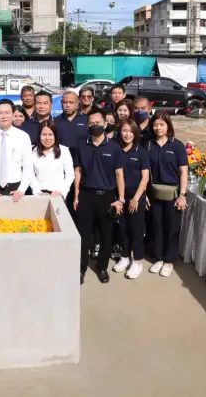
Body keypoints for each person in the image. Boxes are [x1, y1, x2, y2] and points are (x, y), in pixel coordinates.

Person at [73, 107, 125, 284]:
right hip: (86, 195)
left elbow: (119, 175)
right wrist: (77, 195)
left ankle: (102, 267)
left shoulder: (114, 147)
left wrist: (121, 199)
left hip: (107, 197)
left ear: (105, 123)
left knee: (106, 235)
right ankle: (80, 269)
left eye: (98, 122)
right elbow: (78, 171)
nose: (95, 125)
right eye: (92, 123)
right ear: (88, 125)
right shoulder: (82, 145)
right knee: (83, 235)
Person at [145, 112, 189, 278]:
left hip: (173, 194)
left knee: (172, 227)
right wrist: (145, 194)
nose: (158, 128)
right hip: (155, 193)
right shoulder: (149, 146)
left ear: (168, 126)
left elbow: (183, 172)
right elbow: (145, 173)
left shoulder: (177, 146)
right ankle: (159, 258)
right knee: (157, 226)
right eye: (155, 124)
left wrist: (182, 194)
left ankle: (169, 260)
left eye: (162, 124)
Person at [114, 119, 149, 280]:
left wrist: (136, 198)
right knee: (123, 228)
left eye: (130, 131)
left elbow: (145, 178)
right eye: (124, 131)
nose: (127, 134)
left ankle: (137, 261)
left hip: (136, 198)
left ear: (135, 133)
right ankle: (125, 257)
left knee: (136, 231)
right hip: (121, 197)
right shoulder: (117, 150)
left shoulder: (141, 152)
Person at [30, 121, 74, 199]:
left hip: (58, 195)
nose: (47, 138)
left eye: (50, 134)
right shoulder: (32, 151)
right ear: (39, 135)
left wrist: (62, 191)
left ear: (55, 135)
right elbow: (30, 174)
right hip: (39, 195)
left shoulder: (64, 150)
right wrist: (37, 191)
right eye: (44, 134)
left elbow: (70, 175)